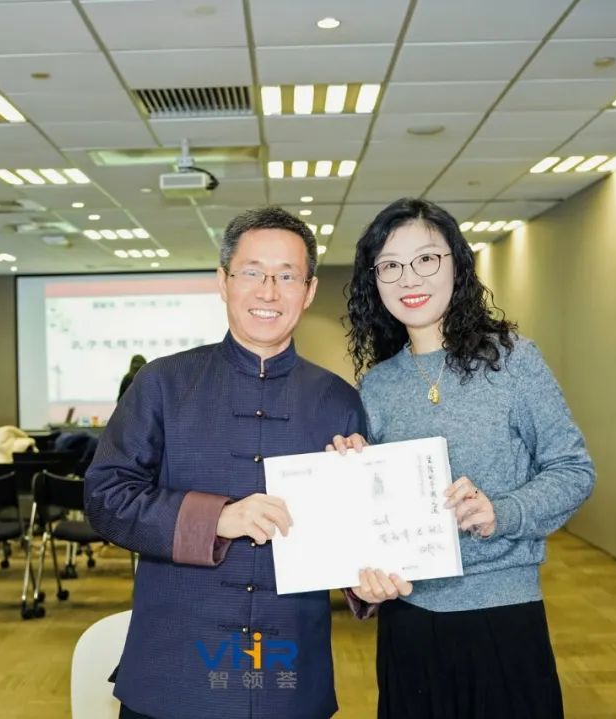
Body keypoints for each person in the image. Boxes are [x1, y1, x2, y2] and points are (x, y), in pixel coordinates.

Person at [85, 207, 399, 719]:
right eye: (252, 272)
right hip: (174, 672)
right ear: (223, 282)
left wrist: (366, 578)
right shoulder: (163, 383)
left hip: (288, 675)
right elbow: (106, 497)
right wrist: (217, 518)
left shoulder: (339, 401)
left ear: (309, 290)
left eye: (287, 276)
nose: (268, 292)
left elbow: (355, 533)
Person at [335, 198, 596, 719]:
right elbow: (377, 517)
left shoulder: (512, 360)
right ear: (374, 281)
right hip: (408, 620)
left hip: (501, 615)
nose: (410, 277)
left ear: (456, 264)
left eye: (426, 259)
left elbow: (573, 469)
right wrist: (352, 476)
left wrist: (502, 512)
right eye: (390, 265)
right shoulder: (378, 386)